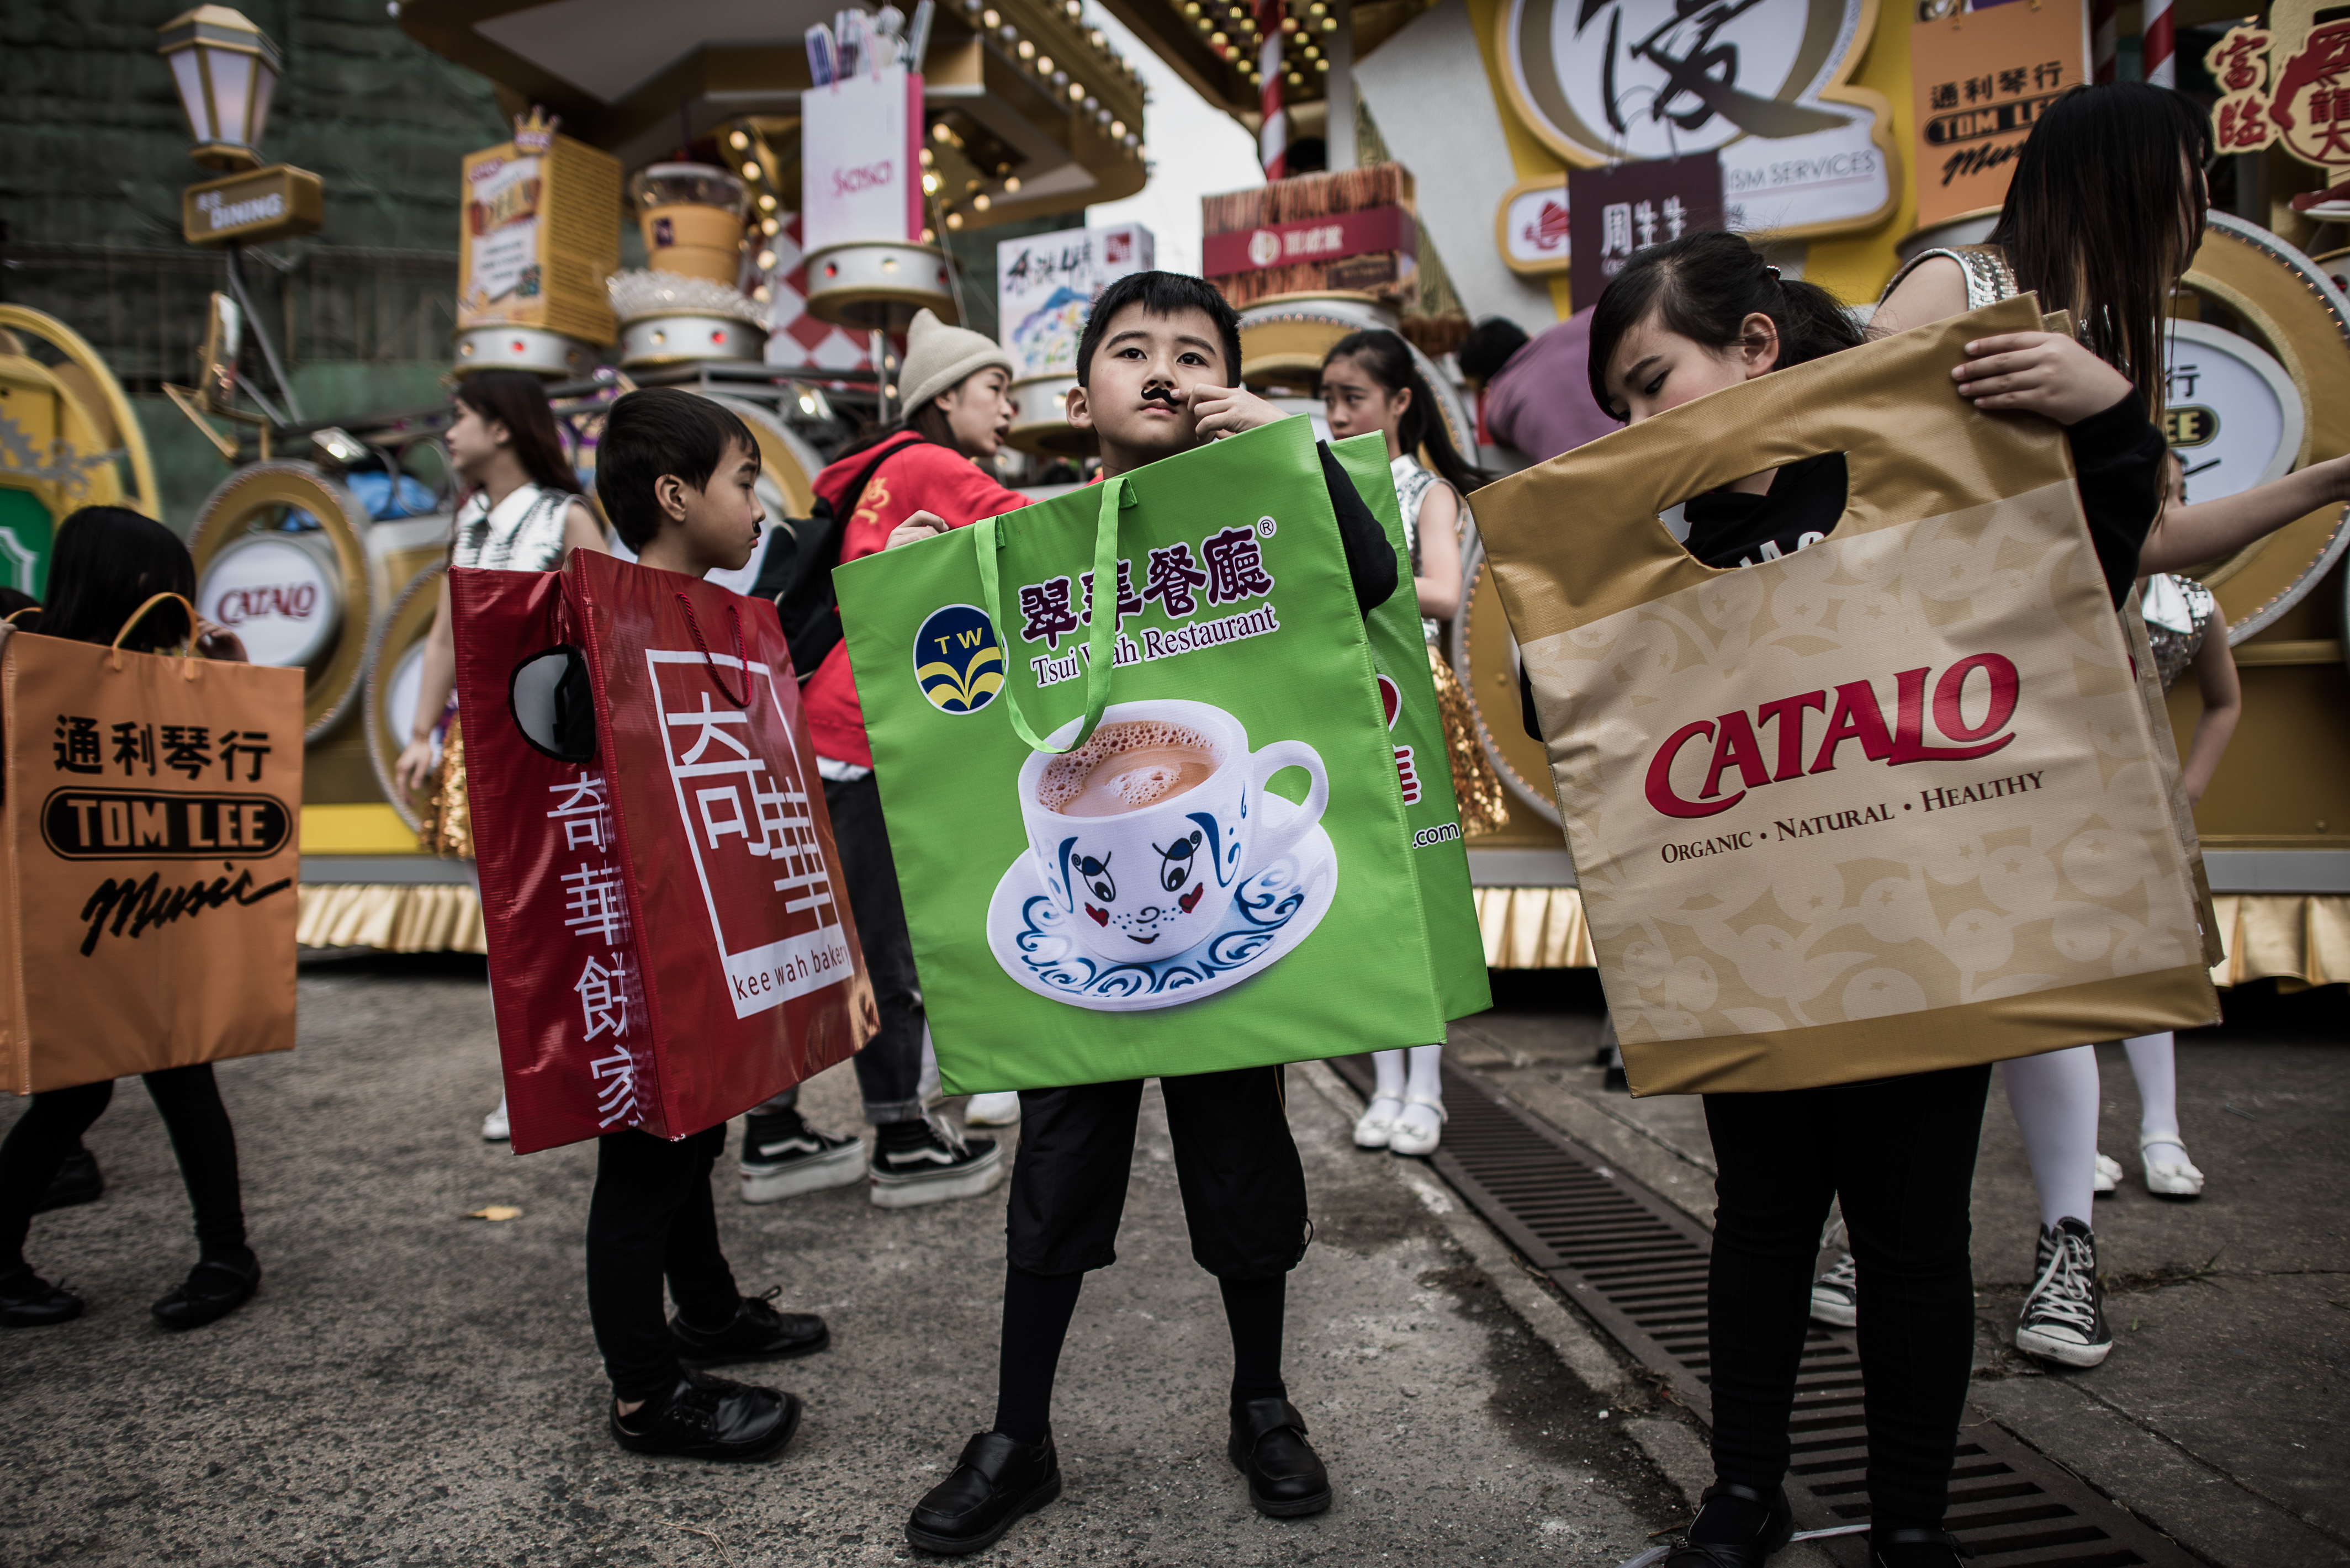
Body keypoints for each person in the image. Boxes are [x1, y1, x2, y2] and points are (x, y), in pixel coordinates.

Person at [1576, 230, 2165, 1568]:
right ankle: (1742, 1493)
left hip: (1922, 932)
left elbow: (2078, 587)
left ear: (1757, 349)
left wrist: (2115, 418)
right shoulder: (1671, 549)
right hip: (1752, 948)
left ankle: (1911, 1521)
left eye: (1652, 381)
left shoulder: (1916, 475)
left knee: (1912, 1239)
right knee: (1762, 1226)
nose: (1635, 422)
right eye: (1615, 404)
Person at [895, 271, 1397, 1556]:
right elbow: (938, 681)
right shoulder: (1024, 541)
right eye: (1133, 351)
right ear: (1082, 399)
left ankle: (1263, 1400)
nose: (1165, 370)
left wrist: (1288, 448)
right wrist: (914, 588)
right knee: (1059, 1160)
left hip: (1222, 923)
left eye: (1195, 352)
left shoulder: (1265, 510)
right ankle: (1018, 1432)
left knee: (1244, 1159)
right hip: (1083, 934)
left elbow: (1378, 575)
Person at [1864, 81, 2350, 1371]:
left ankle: (2066, 1248)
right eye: (2194, 173)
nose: (2199, 202)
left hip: (2056, 700)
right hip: (1926, 702)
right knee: (1922, 968)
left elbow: (2154, 541)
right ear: (2132, 171)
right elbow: (1840, 447)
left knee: (2050, 973)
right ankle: (1880, 1234)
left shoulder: (2107, 348)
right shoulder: (1953, 286)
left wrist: (2328, 477)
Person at [575, 388, 830, 1461]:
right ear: (675, 495)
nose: (759, 499)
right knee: (646, 1158)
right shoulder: (604, 619)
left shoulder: (715, 617)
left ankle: (711, 1312)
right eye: (741, 477)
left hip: (708, 928)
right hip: (648, 947)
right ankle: (645, 1392)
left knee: (699, 1128)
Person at [738, 308, 1026, 1206]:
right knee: (887, 949)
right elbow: (1039, 544)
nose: (1009, 409)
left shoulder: (871, 472)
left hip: (813, 728)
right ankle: (901, 1134)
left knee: (815, 940)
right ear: (944, 397)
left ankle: (774, 1129)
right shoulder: (936, 465)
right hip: (867, 739)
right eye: (995, 389)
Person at [0, 508, 265, 1332]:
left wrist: (233, 676)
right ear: (128, 587)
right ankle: (225, 1255)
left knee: (154, 1080)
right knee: (91, 1093)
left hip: (134, 919)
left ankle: (227, 1254)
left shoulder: (122, 675)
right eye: (164, 590)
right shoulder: (28, 663)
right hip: (73, 924)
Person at [393, 369, 606, 1143]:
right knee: (510, 919)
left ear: (503, 427)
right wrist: (421, 732)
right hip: (485, 745)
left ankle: (596, 1068)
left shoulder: (568, 516)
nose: (449, 433)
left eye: (461, 416)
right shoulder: (471, 523)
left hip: (560, 751)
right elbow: (446, 634)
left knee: (575, 910)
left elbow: (607, 629)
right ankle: (533, 1079)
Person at [1319, 327, 1505, 1159]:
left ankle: (1424, 1089)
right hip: (1347, 700)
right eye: (1328, 398)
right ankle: (1387, 1084)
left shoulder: (1427, 491)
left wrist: (1360, 581)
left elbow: (1440, 590)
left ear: (1399, 401)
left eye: (1352, 396)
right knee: (1373, 894)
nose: (1336, 412)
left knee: (1422, 895)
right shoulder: (1325, 481)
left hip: (1410, 698)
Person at [1456, 308, 1616, 464]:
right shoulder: (1585, 322)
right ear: (1527, 334)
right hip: (1633, 437)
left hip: (1580, 476)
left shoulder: (1496, 405)